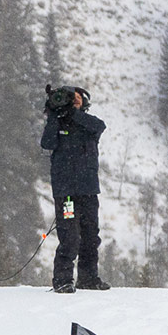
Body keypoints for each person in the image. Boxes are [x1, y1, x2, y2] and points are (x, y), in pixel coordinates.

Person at [41, 84, 108, 292]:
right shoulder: (57, 123)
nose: (74, 100)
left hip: (88, 190)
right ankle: (62, 280)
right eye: (71, 98)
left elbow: (100, 126)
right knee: (69, 236)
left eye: (77, 97)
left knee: (90, 235)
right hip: (66, 192)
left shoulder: (89, 124)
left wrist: (73, 113)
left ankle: (88, 278)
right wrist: (54, 115)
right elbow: (47, 143)